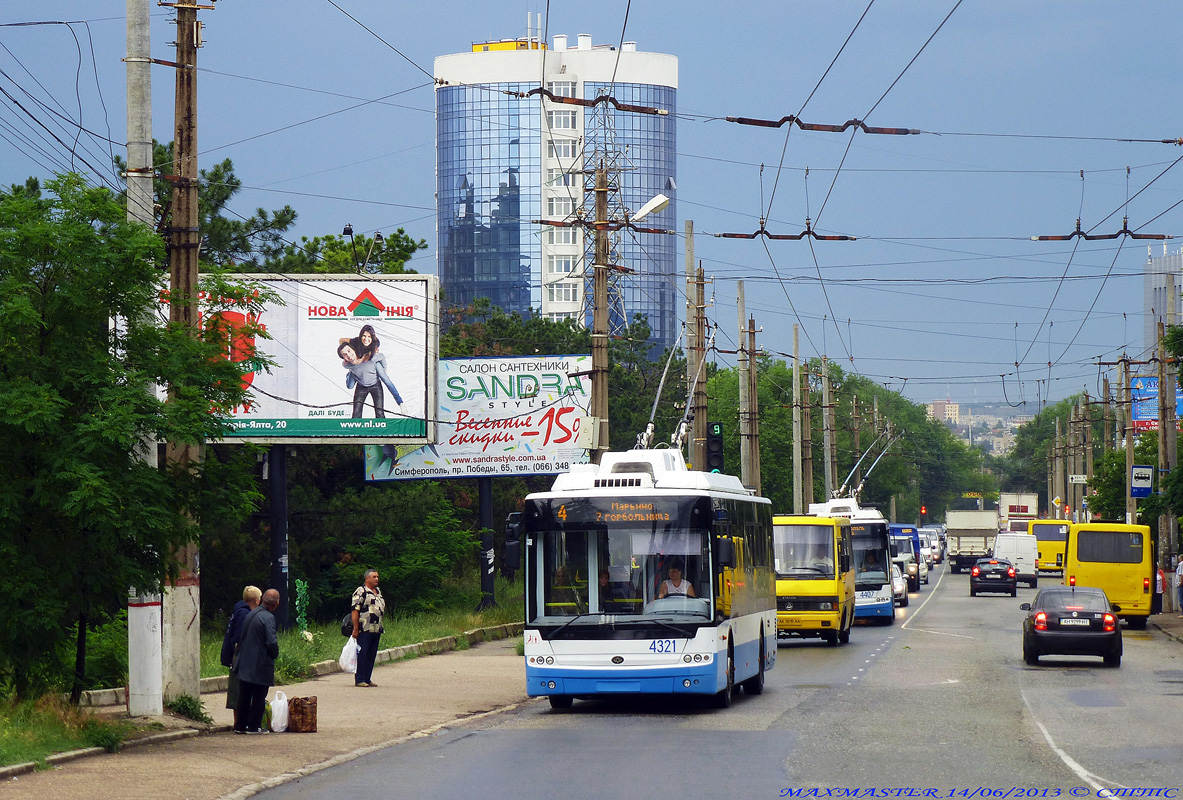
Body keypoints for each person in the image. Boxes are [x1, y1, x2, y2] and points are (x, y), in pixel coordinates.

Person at [233, 588, 280, 734]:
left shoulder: (251, 613)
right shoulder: (268, 618)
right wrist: (275, 654)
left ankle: (240, 726)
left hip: (245, 661)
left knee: (244, 696)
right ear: (276, 604)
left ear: (262, 600)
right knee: (259, 696)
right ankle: (254, 726)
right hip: (260, 663)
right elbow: (271, 642)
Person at [220, 585, 261, 730]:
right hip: (239, 656)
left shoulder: (238, 611)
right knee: (238, 689)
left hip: (235, 655)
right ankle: (239, 722)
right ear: (256, 600)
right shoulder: (244, 614)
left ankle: (240, 721)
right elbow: (238, 638)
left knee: (238, 689)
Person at [351, 569, 386, 687]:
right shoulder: (361, 591)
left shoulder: (378, 591)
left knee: (372, 654)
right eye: (374, 577)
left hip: (376, 628)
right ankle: (360, 679)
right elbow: (355, 610)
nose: (377, 579)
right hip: (364, 628)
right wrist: (356, 628)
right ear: (367, 578)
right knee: (363, 653)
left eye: (377, 577)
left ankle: (367, 678)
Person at [354, 324, 404, 405]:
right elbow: (341, 340)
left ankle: (400, 402)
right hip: (361, 382)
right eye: (364, 336)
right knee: (356, 413)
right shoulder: (355, 342)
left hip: (375, 382)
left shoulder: (376, 347)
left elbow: (382, 358)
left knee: (386, 379)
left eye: (369, 337)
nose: (366, 339)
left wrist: (385, 370)